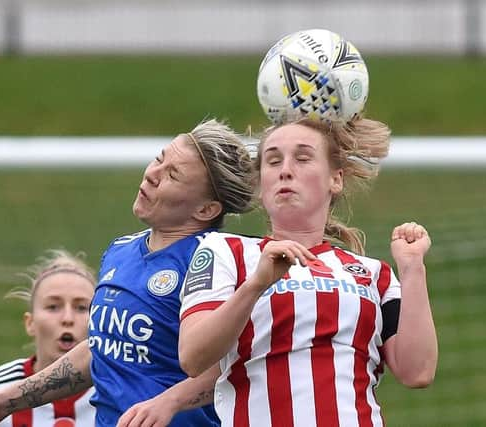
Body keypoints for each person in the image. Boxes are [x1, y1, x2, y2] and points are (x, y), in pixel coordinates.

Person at [0, 118, 255, 427]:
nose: (152, 175)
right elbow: (100, 349)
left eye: (172, 175)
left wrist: (169, 402)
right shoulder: (121, 251)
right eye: (159, 159)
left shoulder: (216, 259)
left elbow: (241, 362)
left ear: (205, 210)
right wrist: (6, 401)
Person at [178, 117, 438, 426]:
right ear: (261, 185)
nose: (285, 169)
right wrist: (256, 285)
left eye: (302, 158)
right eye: (273, 161)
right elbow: (193, 356)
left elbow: (417, 371)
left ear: (335, 179)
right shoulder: (227, 252)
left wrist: (411, 269)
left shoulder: (373, 274)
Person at [0, 249, 97, 427]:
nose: (67, 318)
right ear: (30, 323)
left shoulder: (121, 388)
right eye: (53, 306)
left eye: (81, 308)